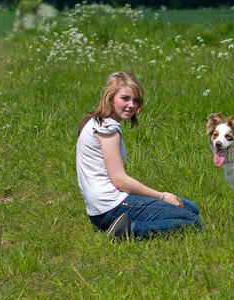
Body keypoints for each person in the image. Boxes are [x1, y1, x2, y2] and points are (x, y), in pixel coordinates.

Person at [76, 71, 203, 239]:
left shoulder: (94, 121)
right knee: (194, 222)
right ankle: (129, 230)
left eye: (135, 100)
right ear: (110, 97)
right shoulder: (107, 129)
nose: (131, 105)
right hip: (110, 206)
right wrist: (162, 196)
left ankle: (118, 225)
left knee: (190, 207)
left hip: (100, 208)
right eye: (125, 98)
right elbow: (119, 180)